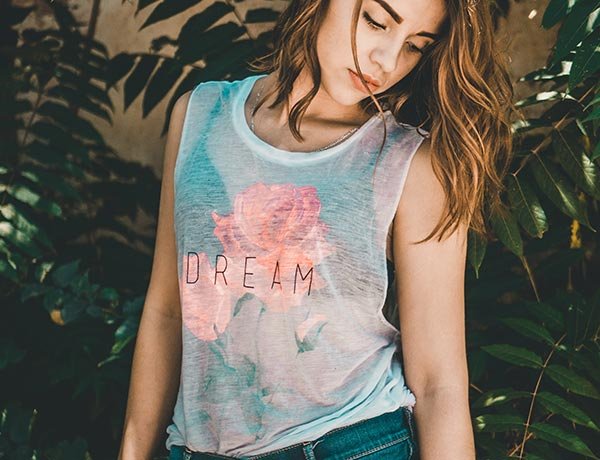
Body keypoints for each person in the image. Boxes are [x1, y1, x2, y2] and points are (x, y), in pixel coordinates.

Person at [118, 0, 515, 459]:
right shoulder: (198, 116)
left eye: (415, 47)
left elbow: (437, 383)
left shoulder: (412, 164)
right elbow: (168, 310)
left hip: (349, 443)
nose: (387, 61)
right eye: (376, 21)